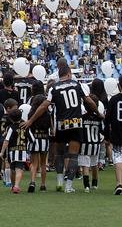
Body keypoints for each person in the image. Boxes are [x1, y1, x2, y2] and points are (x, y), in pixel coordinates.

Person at [23, 65, 100, 193]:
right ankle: (68, 186)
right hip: (76, 123)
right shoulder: (77, 85)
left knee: (59, 153)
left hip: (61, 124)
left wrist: (30, 120)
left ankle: (59, 181)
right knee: (73, 156)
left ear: (60, 76)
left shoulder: (54, 88)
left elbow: (44, 106)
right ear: (69, 74)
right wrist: (98, 113)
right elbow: (89, 101)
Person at [0, 109, 31, 194]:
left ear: (11, 119)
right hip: (22, 151)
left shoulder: (11, 127)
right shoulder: (25, 126)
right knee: (19, 169)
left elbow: (6, 140)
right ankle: (16, 186)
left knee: (12, 170)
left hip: (12, 152)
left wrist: (2, 152)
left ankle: (13, 186)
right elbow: (32, 139)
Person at [27, 88, 51, 193]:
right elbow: (50, 128)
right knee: (43, 164)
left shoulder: (30, 114)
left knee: (34, 163)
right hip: (44, 139)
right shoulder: (47, 115)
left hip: (34, 139)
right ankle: (43, 185)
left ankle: (32, 182)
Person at [79, 94, 104, 192]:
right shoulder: (99, 118)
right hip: (95, 144)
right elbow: (101, 131)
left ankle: (86, 186)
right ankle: (95, 183)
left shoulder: (82, 118)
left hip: (85, 144)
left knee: (85, 165)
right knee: (94, 165)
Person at [104, 76, 122, 195]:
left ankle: (119, 183)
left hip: (117, 132)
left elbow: (107, 119)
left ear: (119, 85)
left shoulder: (114, 99)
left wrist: (106, 135)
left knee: (118, 157)